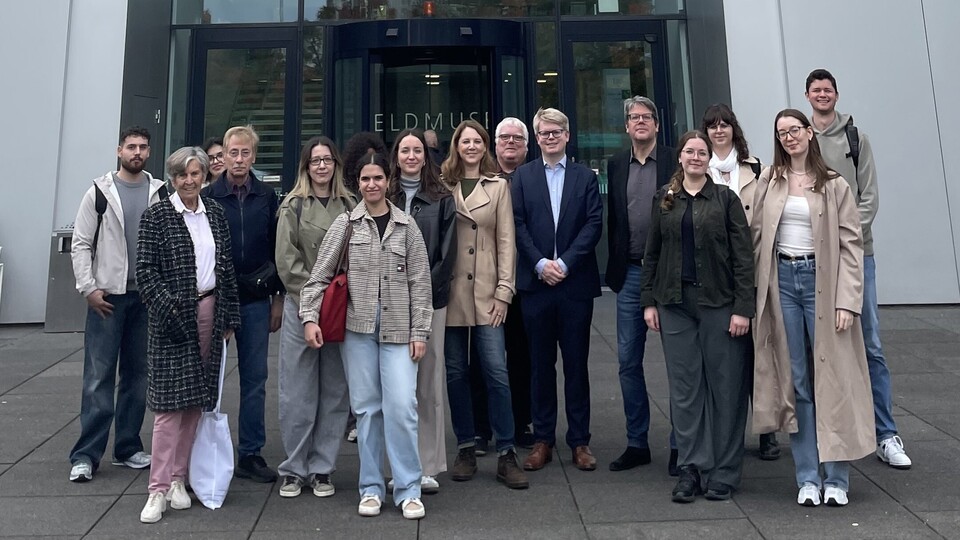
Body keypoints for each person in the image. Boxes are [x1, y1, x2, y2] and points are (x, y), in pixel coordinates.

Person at [752, 108, 875, 507]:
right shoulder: (769, 182)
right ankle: (807, 476)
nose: (788, 137)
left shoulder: (835, 184)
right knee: (797, 380)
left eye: (794, 130)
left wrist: (848, 301)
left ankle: (836, 477)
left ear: (809, 133)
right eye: (781, 133)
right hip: (783, 283)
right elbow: (755, 240)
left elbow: (851, 246)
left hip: (823, 284)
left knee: (833, 379)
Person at [300, 152, 433, 520]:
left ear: (388, 181)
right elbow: (319, 276)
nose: (372, 185)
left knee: (402, 407)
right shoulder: (346, 224)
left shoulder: (407, 226)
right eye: (365, 179)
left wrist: (420, 331)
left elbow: (421, 284)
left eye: (378, 178)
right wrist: (310, 317)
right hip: (357, 330)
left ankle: (408, 487)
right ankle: (371, 487)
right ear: (356, 184)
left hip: (399, 330)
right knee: (367, 411)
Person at [640, 130, 755, 503]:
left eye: (702, 152)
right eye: (689, 151)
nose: (695, 157)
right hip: (675, 305)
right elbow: (651, 254)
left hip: (719, 305)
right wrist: (649, 301)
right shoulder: (665, 199)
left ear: (710, 159)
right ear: (680, 157)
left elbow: (743, 259)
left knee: (726, 389)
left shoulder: (725, 199)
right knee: (686, 392)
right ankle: (692, 468)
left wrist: (743, 309)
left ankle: (724, 472)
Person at [805, 68, 911, 469]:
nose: (822, 95)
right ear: (807, 95)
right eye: (815, 90)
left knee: (871, 345)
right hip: (812, 261)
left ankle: (886, 435)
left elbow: (869, 199)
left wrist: (840, 237)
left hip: (855, 255)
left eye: (827, 90)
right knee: (821, 350)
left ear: (836, 94)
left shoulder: (856, 138)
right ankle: (828, 434)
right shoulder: (800, 137)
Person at [136, 146, 241, 523]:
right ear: (172, 178)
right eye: (182, 175)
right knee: (168, 407)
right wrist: (170, 309)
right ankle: (157, 488)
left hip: (211, 310)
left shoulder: (215, 212)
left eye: (195, 174)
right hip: (172, 316)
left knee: (197, 400)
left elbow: (225, 267)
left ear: (204, 176)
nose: (189, 181)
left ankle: (180, 478)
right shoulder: (157, 215)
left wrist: (230, 315)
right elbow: (145, 272)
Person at [68, 126, 162, 483]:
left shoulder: (159, 192)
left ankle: (127, 447)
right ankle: (86, 455)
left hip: (145, 297)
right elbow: (80, 243)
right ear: (119, 150)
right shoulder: (99, 192)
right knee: (98, 377)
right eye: (131, 147)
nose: (136, 152)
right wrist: (88, 288)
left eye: (142, 147)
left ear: (149, 152)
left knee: (138, 376)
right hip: (107, 297)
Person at [512, 108, 603, 473]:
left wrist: (564, 263)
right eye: (544, 132)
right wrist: (539, 264)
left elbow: (594, 223)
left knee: (577, 365)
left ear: (567, 135)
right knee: (539, 366)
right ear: (537, 138)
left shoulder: (585, 177)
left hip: (574, 285)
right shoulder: (521, 177)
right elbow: (516, 224)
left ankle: (580, 441)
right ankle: (543, 439)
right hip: (536, 286)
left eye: (556, 132)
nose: (550, 137)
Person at [442, 120, 529, 489]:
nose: (472, 146)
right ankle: (465, 444)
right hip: (449, 297)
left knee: (496, 371)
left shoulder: (498, 187)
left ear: (485, 146)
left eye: (478, 140)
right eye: (466, 141)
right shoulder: (442, 185)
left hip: (488, 293)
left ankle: (507, 451)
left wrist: (505, 291)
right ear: (456, 146)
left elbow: (507, 241)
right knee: (456, 372)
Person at [274, 136, 356, 499]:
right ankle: (294, 468)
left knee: (335, 390)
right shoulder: (292, 205)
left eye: (327, 160)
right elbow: (286, 261)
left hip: (340, 307)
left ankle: (322, 467)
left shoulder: (351, 204)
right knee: (297, 391)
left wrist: (335, 297)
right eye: (315, 161)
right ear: (306, 167)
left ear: (336, 165)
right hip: (301, 306)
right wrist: (312, 302)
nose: (321, 166)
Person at [202, 125, 282, 483]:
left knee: (255, 379)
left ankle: (251, 453)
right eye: (231, 153)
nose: (237, 160)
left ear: (253, 156)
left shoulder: (267, 195)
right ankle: (204, 451)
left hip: (255, 299)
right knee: (208, 378)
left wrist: (277, 298)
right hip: (216, 299)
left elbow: (276, 246)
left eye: (244, 153)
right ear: (221, 156)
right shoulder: (207, 196)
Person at [700, 103, 781, 462]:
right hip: (714, 273)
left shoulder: (756, 169)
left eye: (725, 125)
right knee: (723, 357)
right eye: (712, 126)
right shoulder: (697, 168)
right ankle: (723, 430)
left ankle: (766, 430)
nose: (719, 131)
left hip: (751, 270)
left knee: (758, 354)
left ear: (734, 130)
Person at [605, 96, 677, 473]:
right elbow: (614, 219)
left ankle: (681, 444)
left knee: (677, 361)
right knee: (628, 362)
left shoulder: (674, 159)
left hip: (669, 274)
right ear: (627, 127)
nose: (640, 122)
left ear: (657, 124)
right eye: (634, 118)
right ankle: (637, 442)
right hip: (631, 274)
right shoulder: (616, 164)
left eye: (647, 117)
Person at [386, 128, 456, 494]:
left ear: (426, 156)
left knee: (428, 384)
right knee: (398, 389)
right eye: (404, 150)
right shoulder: (383, 193)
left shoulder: (442, 198)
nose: (411, 156)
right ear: (395, 156)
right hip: (390, 304)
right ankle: (399, 464)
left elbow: (447, 256)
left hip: (430, 303)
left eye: (417, 150)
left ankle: (427, 464)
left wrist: (421, 293)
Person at [471, 117, 535, 452]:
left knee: (522, 359)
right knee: (484, 360)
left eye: (517, 138)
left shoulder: (535, 178)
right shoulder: (482, 179)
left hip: (526, 285)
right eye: (504, 137)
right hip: (485, 285)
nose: (510, 142)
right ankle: (482, 429)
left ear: (527, 145)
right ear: (495, 144)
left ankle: (521, 422)